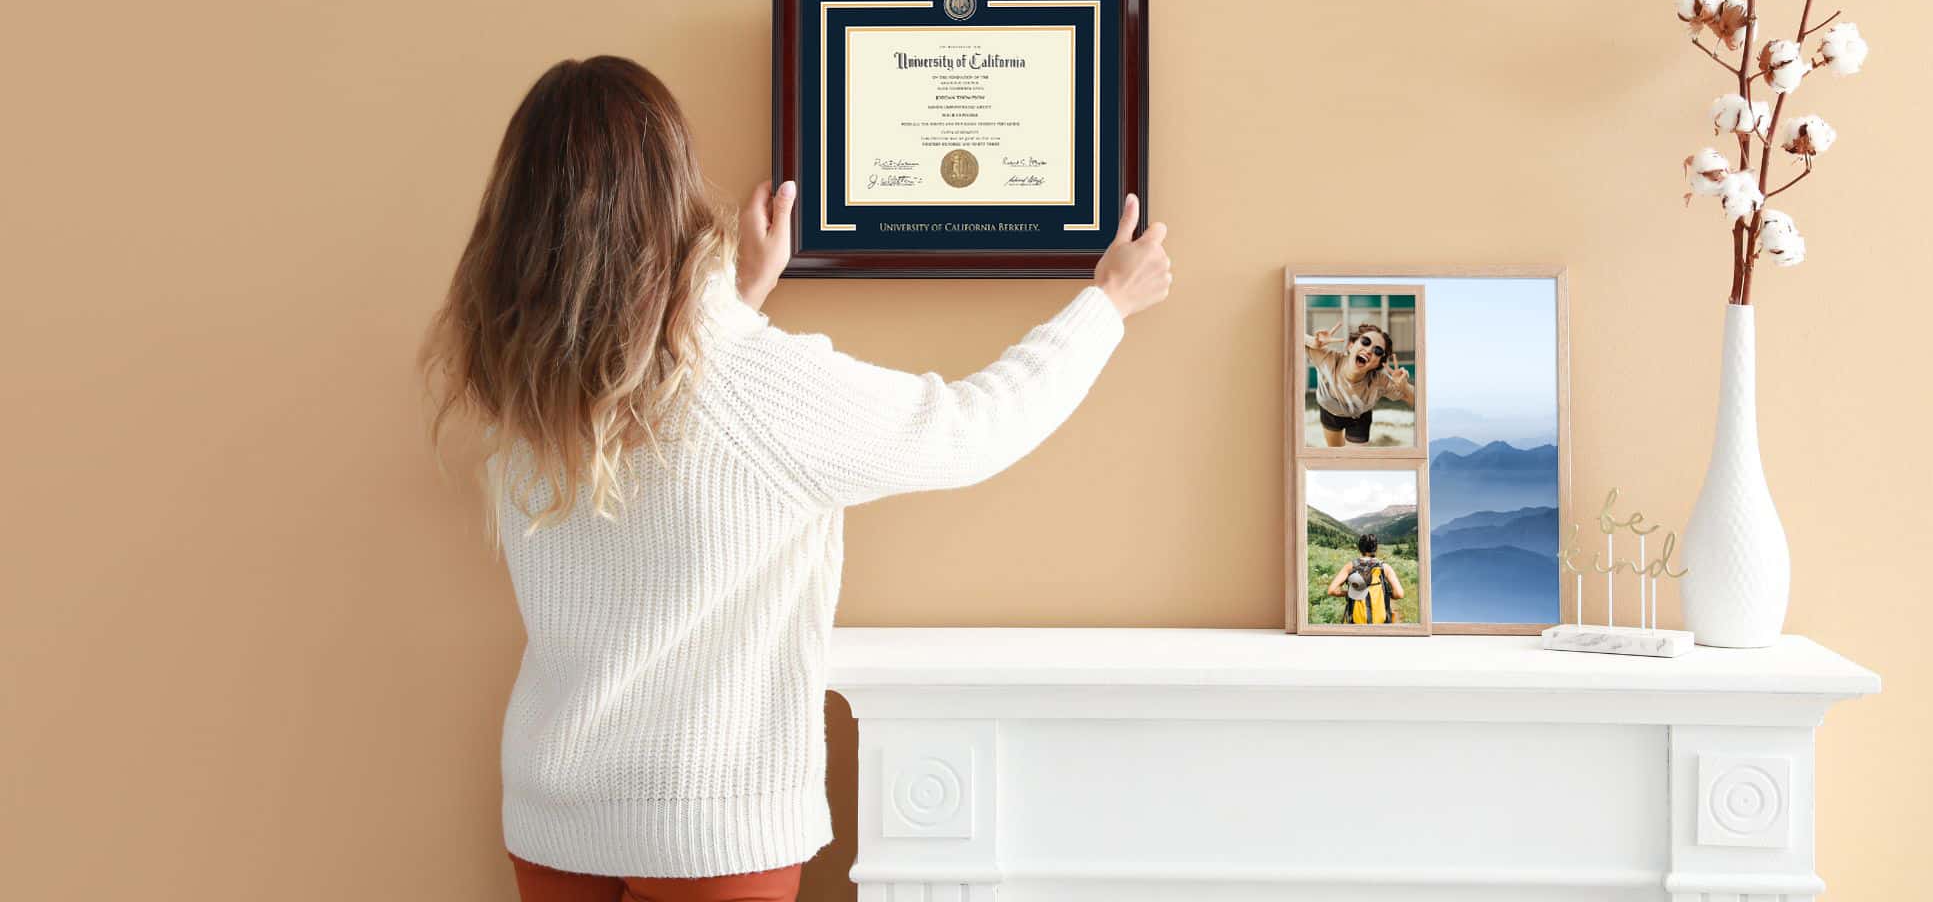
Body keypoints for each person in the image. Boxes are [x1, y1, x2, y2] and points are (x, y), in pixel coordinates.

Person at [419, 57, 1171, 902]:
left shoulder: (518, 384)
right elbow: (972, 427)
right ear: (672, 194)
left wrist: (744, 290)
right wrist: (1106, 305)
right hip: (708, 824)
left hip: (554, 807)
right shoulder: (755, 385)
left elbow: (658, 409)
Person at [1303, 320, 1413, 447]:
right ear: (1351, 345)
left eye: (1377, 351)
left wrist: (1405, 387)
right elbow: (1289, 334)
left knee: (1353, 461)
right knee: (1335, 454)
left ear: (1378, 363)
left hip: (1360, 417)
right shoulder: (1327, 359)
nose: (1369, 350)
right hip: (1330, 412)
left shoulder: (1379, 381)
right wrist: (1312, 341)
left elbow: (1418, 401)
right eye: (1365, 342)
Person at [1326, 533, 1405, 624]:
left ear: (1360, 549)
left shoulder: (1351, 566)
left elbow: (1331, 590)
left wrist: (1350, 593)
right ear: (1376, 548)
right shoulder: (1385, 568)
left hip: (1356, 621)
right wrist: (1386, 593)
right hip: (1380, 622)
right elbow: (1399, 594)